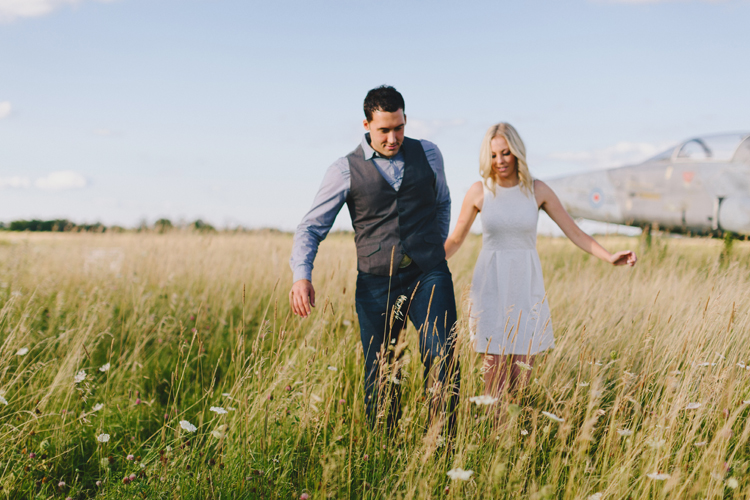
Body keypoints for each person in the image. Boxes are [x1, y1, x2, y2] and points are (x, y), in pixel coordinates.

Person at [289, 85, 460, 434]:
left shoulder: (429, 153)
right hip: (376, 283)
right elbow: (311, 227)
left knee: (442, 356)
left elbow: (442, 202)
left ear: (406, 120)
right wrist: (301, 275)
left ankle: (442, 448)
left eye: (399, 127)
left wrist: (434, 246)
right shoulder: (343, 170)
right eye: (384, 129)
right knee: (382, 372)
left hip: (429, 273)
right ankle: (385, 450)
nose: (393, 137)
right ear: (366, 125)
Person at [444, 122, 636, 398]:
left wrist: (609, 257)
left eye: (506, 153)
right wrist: (426, 264)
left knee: (520, 384)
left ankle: (515, 439)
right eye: (494, 155)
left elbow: (574, 231)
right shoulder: (479, 191)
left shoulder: (537, 190)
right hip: (490, 289)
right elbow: (456, 239)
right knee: (493, 384)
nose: (500, 161)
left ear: (517, 153)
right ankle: (496, 439)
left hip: (525, 290)